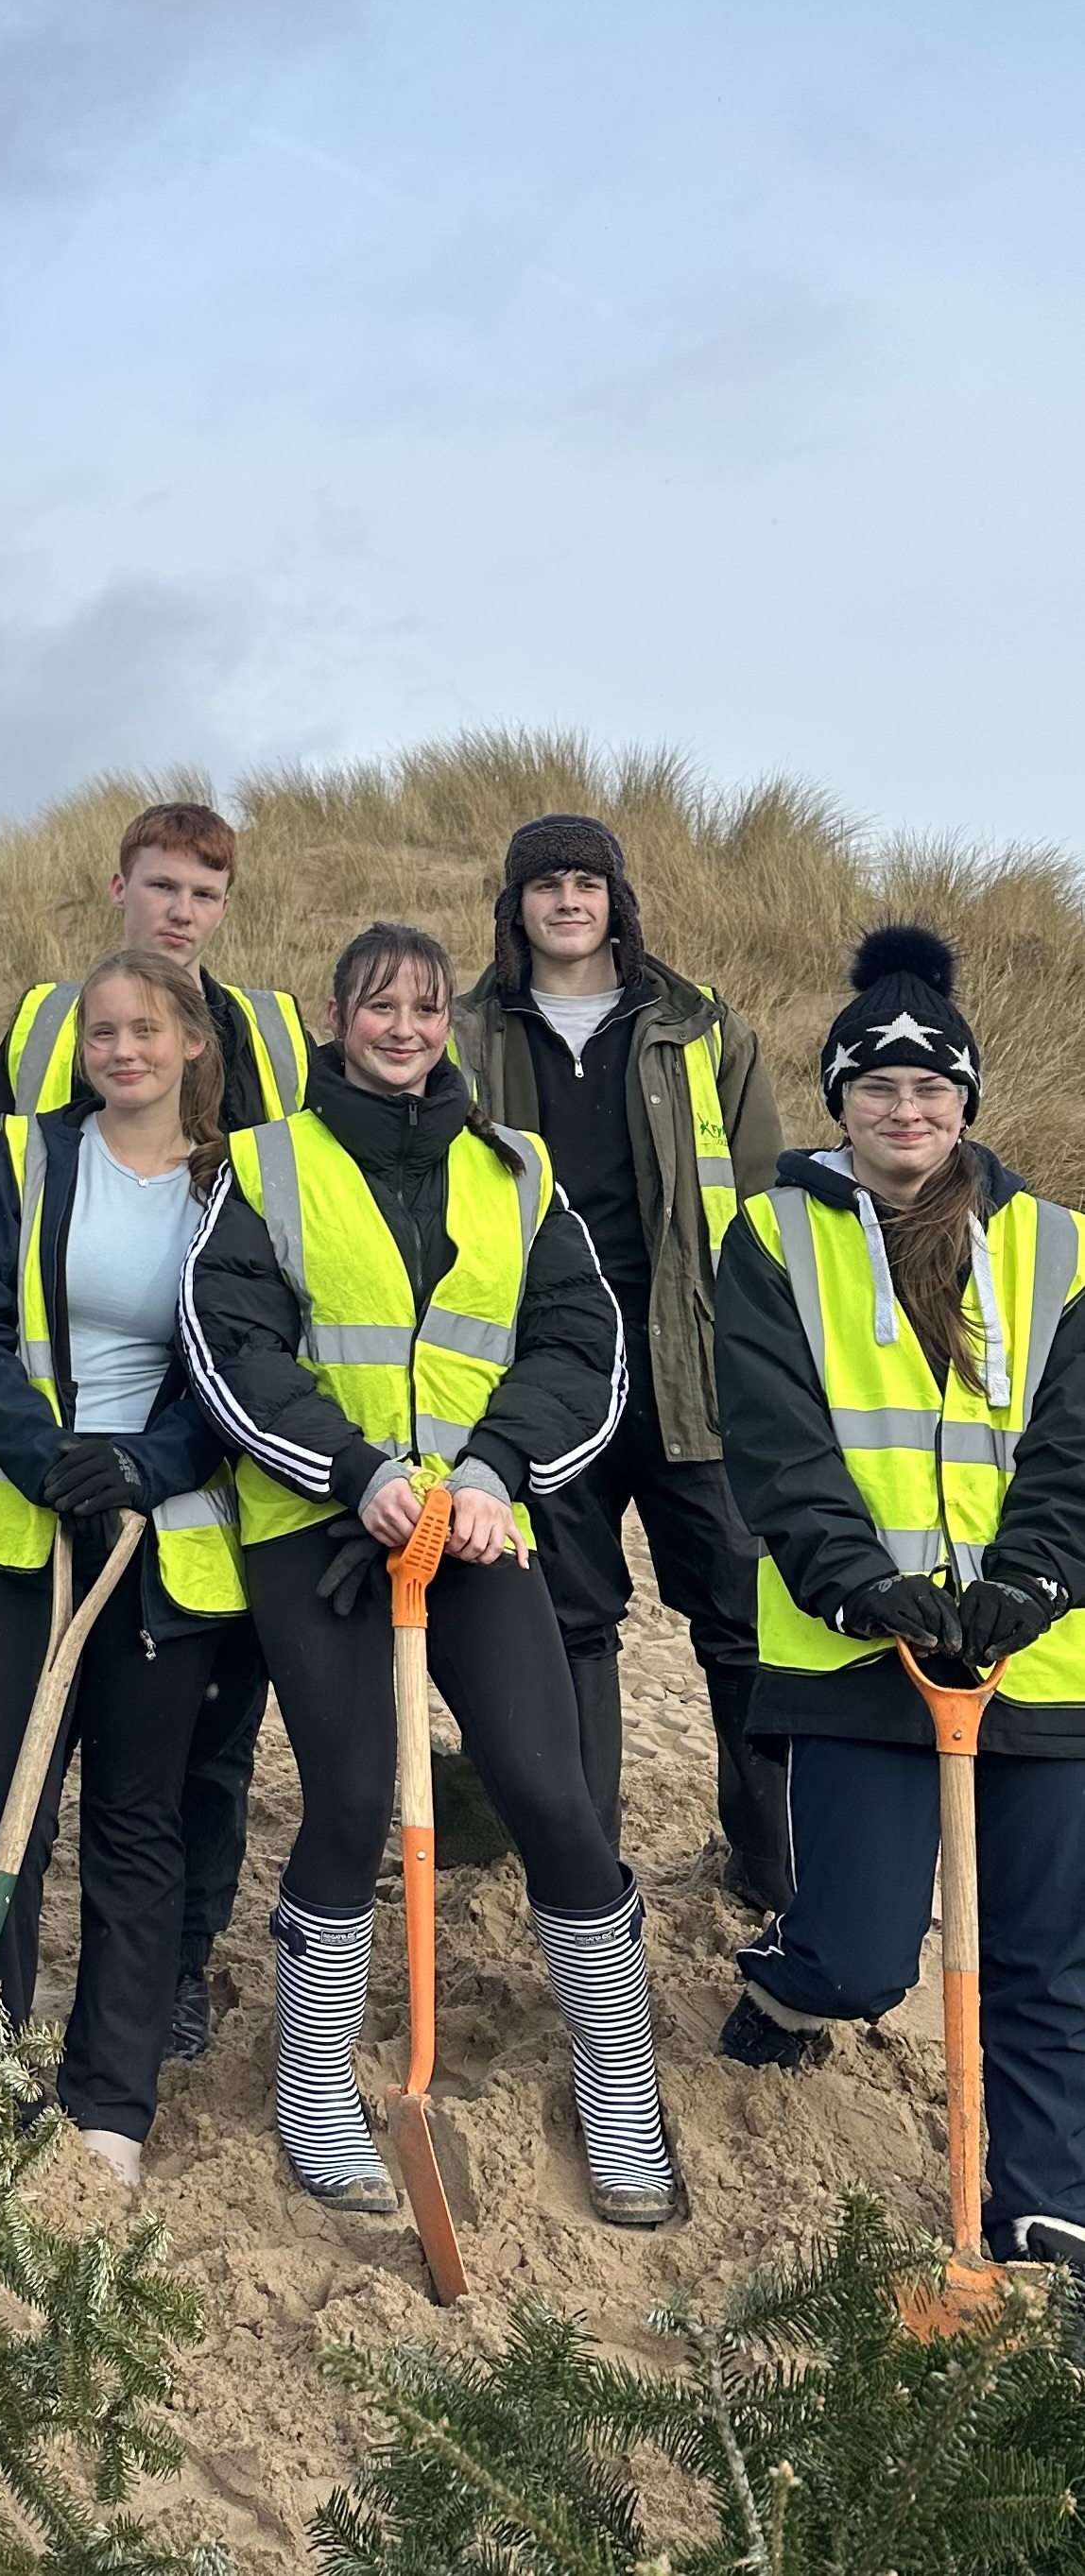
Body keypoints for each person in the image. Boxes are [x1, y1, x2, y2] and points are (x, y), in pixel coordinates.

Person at [181, 922, 680, 2227]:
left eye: (422, 1006)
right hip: (323, 1528)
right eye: (376, 1005)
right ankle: (310, 2083)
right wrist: (351, 1470)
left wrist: (497, 1473)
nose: (402, 1027)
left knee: (548, 1789)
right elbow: (230, 1339)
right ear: (338, 1016)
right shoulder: (265, 1165)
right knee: (349, 1793)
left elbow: (583, 1342)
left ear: (447, 1020)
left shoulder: (517, 1170)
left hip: (475, 1525)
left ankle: (620, 2086)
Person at [715, 928, 1085, 2264]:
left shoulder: (1058, 1247)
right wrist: (863, 1585)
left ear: (968, 1101)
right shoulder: (772, 1236)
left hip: (1036, 1664)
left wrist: (1036, 1582)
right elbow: (773, 1435)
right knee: (871, 1957)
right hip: (857, 1649)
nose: (906, 1107)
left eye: (932, 1086)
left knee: (1042, 1958)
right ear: (842, 1100)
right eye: (877, 1085)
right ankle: (793, 1987)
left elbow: (1074, 1442)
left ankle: (1041, 2202)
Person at [0, 799, 311, 2061]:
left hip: (205, 1495)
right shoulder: (47, 1042)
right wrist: (51, 1452)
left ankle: (161, 1992)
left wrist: (156, 1460)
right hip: (30, 1487)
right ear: (121, 889)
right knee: (4, 1793)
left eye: (203, 895)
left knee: (185, 1779)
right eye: (161, 888)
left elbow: (275, 1299)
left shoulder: (266, 1051)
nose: (180, 910)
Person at [0, 949, 245, 2190]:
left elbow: (254, 1352)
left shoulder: (237, 1187)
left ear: (192, 1045)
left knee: (136, 1819)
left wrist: (149, 1464)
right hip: (22, 1523)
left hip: (158, 1544)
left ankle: (109, 2093)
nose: (123, 1049)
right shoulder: (22, 1156)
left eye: (147, 1029)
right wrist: (47, 1454)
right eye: (101, 1030)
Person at [456, 814, 789, 1906]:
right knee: (568, 1617)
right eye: (542, 883)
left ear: (614, 897)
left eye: (584, 881)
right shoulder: (468, 1033)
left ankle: (767, 1852)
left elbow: (760, 1213)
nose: (565, 900)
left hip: (690, 1364)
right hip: (546, 1364)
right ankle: (581, 1861)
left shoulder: (700, 1027)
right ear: (513, 905)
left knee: (738, 1613)